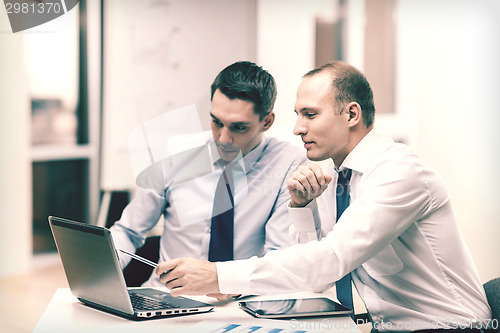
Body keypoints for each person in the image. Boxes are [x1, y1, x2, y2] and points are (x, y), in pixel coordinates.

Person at [155, 61, 493, 331]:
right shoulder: (334, 175)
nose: (297, 128)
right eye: (297, 114)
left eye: (310, 114)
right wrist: (301, 208)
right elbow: (320, 278)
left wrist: (217, 275)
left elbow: (331, 259)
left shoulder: (399, 173)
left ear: (351, 114)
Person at [110, 61, 307, 292]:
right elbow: (128, 231)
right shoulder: (175, 154)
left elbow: (279, 259)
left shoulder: (288, 166)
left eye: (238, 127)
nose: (223, 138)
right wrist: (99, 273)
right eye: (217, 122)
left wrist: (226, 281)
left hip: (241, 302)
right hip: (166, 298)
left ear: (267, 122)